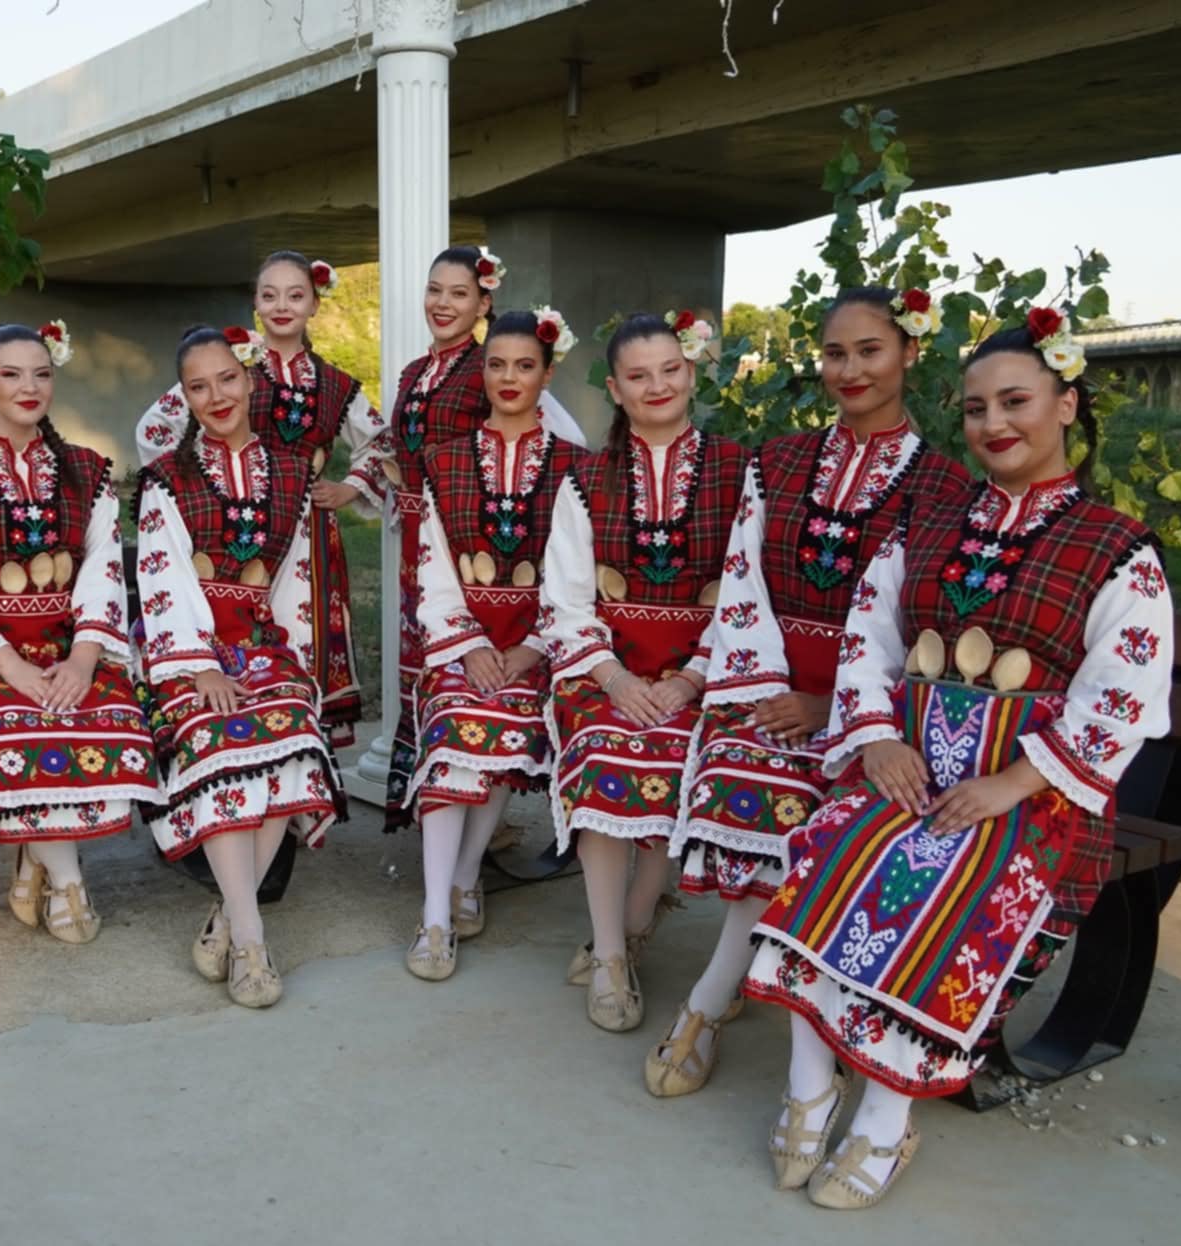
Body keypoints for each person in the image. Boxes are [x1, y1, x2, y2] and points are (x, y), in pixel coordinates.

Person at [743, 310, 1172, 1207]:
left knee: (948, 884)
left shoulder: (1117, 549)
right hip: (907, 767)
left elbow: (1120, 695)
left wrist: (1011, 781)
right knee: (828, 845)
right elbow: (868, 639)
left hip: (1033, 798)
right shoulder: (929, 524)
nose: (993, 424)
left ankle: (885, 1119)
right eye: (977, 409)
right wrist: (877, 737)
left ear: (1066, 405)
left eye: (1016, 402)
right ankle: (810, 1087)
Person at [649, 286, 971, 1095]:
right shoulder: (780, 461)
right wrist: (767, 691)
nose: (850, 369)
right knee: (745, 772)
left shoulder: (942, 486)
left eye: (870, 350)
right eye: (835, 353)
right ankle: (739, 990)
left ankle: (709, 999)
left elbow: (929, 625)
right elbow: (742, 580)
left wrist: (836, 709)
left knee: (806, 804)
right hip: (768, 684)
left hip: (874, 713)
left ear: (909, 352)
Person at [0, 322, 160, 940]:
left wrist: (83, 660)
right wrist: (14, 668)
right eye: (11, 374)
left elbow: (104, 571)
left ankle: (36, 859)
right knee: (29, 723)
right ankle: (70, 882)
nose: (29, 387)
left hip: (70, 648)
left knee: (93, 715)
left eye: (42, 374)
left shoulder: (87, 470)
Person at [538, 311, 747, 1023]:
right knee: (606, 752)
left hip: (702, 672)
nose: (657, 386)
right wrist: (617, 680)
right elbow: (565, 598)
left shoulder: (740, 471)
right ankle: (609, 952)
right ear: (615, 389)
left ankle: (633, 920)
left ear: (691, 372)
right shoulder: (583, 478)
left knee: (679, 751)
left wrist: (690, 679)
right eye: (638, 375)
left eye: (670, 370)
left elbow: (746, 595)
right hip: (607, 671)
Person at [134, 325, 345, 1008]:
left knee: (292, 734)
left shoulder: (290, 472)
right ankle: (251, 942)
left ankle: (229, 917)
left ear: (251, 380)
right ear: (184, 397)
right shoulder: (166, 479)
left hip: (261, 644)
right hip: (185, 651)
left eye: (227, 378)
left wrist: (295, 667)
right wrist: (199, 666)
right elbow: (162, 579)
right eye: (198, 386)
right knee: (219, 739)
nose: (216, 396)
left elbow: (295, 579)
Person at [359, 246, 588, 829]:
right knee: (429, 672)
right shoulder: (415, 372)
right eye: (434, 290)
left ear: (484, 303)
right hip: (419, 545)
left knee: (481, 674)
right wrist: (368, 484)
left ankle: (480, 814)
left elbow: (561, 442)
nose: (443, 303)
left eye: (459, 293)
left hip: (474, 550)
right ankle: (442, 806)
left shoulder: (492, 366)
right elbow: (397, 448)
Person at [134, 252, 386, 746]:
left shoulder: (335, 383)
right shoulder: (232, 361)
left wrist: (350, 486)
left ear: (315, 303)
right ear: (255, 301)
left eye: (295, 295)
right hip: (220, 526)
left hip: (303, 531)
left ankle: (302, 742)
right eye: (270, 295)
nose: (282, 306)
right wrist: (199, 478)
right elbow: (156, 427)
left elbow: (381, 442)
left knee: (304, 635)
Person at [401, 309, 585, 984]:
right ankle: (435, 914)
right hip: (463, 640)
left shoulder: (574, 466)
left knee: (514, 722)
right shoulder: (444, 460)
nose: (510, 377)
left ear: (547, 373)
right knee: (456, 725)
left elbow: (575, 574)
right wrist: (467, 643)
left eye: (525, 365)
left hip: (538, 644)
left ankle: (468, 872)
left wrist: (534, 647)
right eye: (497, 364)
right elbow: (433, 564)